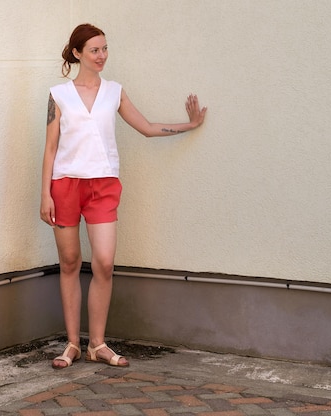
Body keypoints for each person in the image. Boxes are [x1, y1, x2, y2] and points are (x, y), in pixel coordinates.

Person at [40, 23, 207, 369]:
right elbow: (50, 147)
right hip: (65, 185)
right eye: (94, 50)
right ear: (77, 54)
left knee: (103, 261)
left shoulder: (114, 91)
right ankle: (72, 344)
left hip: (103, 185)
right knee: (70, 263)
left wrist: (188, 125)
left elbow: (145, 128)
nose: (102, 56)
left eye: (105, 49)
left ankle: (97, 344)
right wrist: (45, 194)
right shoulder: (58, 95)